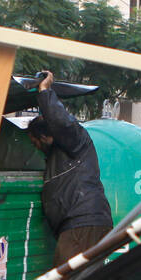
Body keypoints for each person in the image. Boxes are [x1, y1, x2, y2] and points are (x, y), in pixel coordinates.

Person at [25, 71, 114, 267]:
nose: (36, 148)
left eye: (35, 142)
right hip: (81, 224)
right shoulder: (55, 157)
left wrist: (45, 91)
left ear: (47, 136)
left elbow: (61, 122)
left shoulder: (75, 140)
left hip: (83, 223)